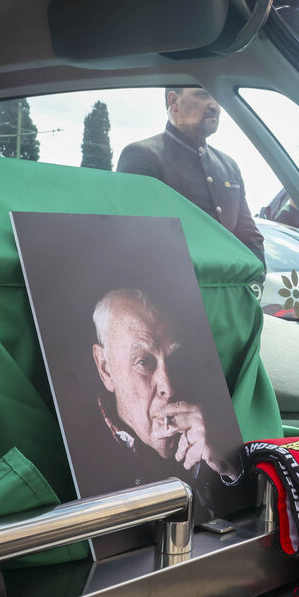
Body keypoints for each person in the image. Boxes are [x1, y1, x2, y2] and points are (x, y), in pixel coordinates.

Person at [89, 288, 241, 508]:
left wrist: (233, 472)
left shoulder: (215, 418)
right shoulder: (83, 450)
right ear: (106, 368)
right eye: (143, 362)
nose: (168, 388)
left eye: (175, 359)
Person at [118, 86, 264, 264]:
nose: (215, 106)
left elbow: (249, 237)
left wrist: (256, 277)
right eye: (202, 95)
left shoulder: (229, 166)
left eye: (217, 97)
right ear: (174, 101)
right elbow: (140, 240)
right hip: (174, 279)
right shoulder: (143, 156)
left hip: (232, 280)